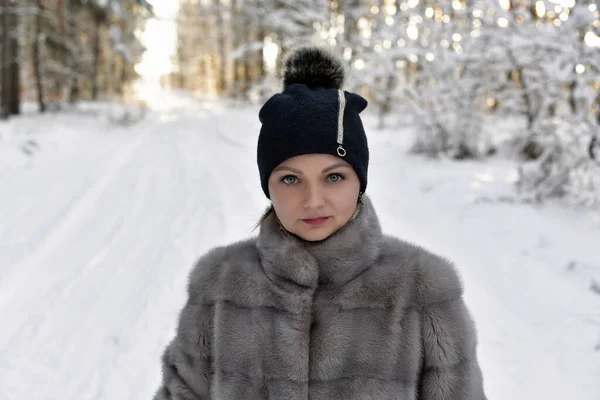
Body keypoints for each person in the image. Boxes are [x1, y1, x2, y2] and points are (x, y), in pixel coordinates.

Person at [153, 46, 487, 400]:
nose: (313, 200)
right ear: (269, 186)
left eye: (334, 177)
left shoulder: (424, 289)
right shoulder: (219, 283)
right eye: (291, 179)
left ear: (360, 181)